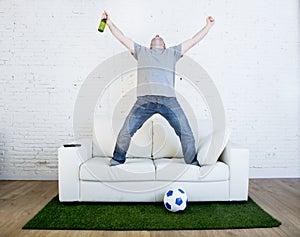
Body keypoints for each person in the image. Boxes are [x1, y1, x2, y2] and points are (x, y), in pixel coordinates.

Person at [101, 11, 215, 166]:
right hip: (144, 101)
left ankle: (192, 164)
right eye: (154, 37)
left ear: (164, 45)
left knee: (186, 133)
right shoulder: (141, 52)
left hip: (169, 101)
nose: (157, 35)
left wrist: (208, 26)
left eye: (160, 37)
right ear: (151, 45)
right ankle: (117, 160)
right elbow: (122, 38)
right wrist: (109, 23)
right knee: (125, 132)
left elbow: (193, 40)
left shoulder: (172, 53)